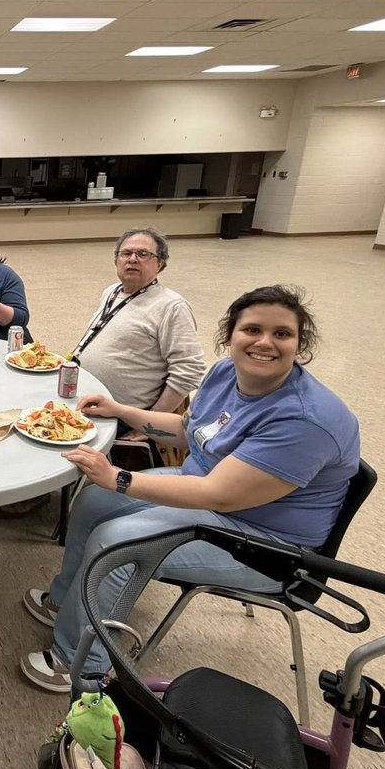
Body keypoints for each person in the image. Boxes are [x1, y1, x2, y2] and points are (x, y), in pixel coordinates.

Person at [20, 285, 360, 693]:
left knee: (117, 542)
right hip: (205, 490)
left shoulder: (306, 420)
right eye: (252, 329)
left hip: (266, 544)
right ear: (231, 335)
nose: (265, 342)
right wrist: (123, 412)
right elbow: (191, 430)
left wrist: (120, 478)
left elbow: (219, 495)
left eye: (282, 333)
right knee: (95, 500)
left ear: (300, 343)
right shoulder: (225, 374)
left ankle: (80, 663)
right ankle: (67, 600)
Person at [70, 228, 205, 420]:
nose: (132, 259)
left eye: (143, 254)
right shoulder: (112, 291)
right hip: (86, 398)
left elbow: (189, 370)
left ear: (160, 264)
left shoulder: (172, 306)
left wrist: (150, 422)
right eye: (126, 253)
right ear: (116, 261)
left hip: (122, 414)